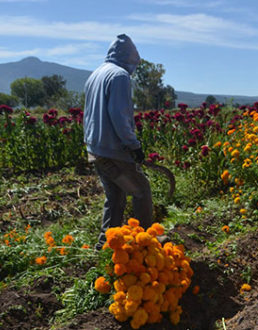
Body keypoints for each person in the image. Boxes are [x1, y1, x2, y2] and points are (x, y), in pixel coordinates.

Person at [83, 34, 153, 249]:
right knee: (141, 191)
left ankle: (104, 246)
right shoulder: (120, 76)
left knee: (115, 197)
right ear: (129, 58)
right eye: (134, 62)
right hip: (113, 150)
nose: (134, 67)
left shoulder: (96, 75)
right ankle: (145, 244)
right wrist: (134, 145)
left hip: (95, 149)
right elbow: (119, 115)